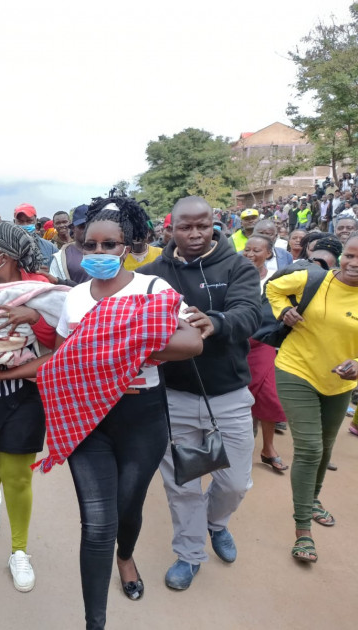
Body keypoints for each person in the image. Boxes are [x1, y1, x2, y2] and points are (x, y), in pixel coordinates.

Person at [38, 196, 201, 629]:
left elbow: (191, 344)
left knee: (128, 508)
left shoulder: (152, 291)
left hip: (141, 416)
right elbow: (62, 358)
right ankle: (95, 621)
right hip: (87, 421)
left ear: (128, 246)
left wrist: (120, 347)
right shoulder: (73, 298)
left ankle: (125, 557)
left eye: (109, 245)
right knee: (96, 524)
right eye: (89, 245)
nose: (98, 253)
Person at [140, 195, 261, 591]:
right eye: (185, 226)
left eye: (202, 225)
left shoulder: (238, 266)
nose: (194, 234)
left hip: (228, 395)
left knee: (235, 483)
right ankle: (189, 554)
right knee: (182, 485)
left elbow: (249, 313)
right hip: (171, 397)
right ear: (169, 227)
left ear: (214, 223)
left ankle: (216, 523)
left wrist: (217, 322)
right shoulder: (151, 273)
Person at [0, 222, 67, 593]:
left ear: (3, 255)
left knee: (18, 476)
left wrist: (35, 318)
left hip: (23, 390)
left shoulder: (39, 290)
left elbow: (59, 346)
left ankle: (19, 551)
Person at [268, 233, 358, 563]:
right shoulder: (313, 278)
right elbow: (273, 289)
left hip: (339, 383)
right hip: (296, 369)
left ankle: (313, 498)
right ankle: (303, 529)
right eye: (349, 255)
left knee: (327, 443)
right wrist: (283, 311)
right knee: (310, 447)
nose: (353, 264)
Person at [241, 235, 289, 473]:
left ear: (269, 254)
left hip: (264, 343)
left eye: (256, 250)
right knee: (237, 396)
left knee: (269, 394)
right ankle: (235, 449)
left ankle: (268, 448)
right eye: (246, 249)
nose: (249, 254)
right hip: (235, 343)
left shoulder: (279, 281)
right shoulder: (232, 274)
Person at [50, 204, 90, 284]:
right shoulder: (59, 257)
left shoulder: (111, 252)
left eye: (90, 225)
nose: (87, 229)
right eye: (82, 226)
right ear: (73, 228)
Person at [13, 203, 57, 270]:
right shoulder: (7, 249)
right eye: (20, 222)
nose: (25, 225)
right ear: (14, 222)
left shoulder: (50, 248)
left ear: (36, 221)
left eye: (29, 221)